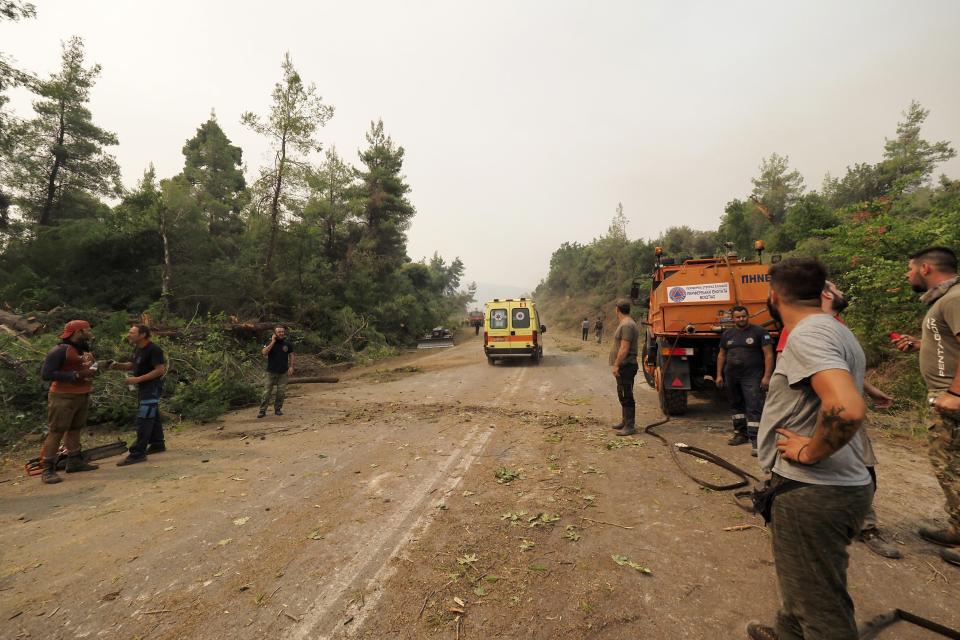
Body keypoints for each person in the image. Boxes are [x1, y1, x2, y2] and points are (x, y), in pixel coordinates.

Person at [748, 257, 873, 640]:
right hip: (832, 486)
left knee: (821, 607)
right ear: (821, 292)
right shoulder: (833, 328)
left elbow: (845, 408)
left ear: (773, 296)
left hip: (814, 489)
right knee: (803, 583)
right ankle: (787, 632)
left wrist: (810, 452)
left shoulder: (807, 335)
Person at [777, 280, 900, 560]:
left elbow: (838, 370)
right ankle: (857, 526)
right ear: (825, 294)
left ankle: (863, 525)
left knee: (863, 469)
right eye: (836, 287)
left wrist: (867, 389)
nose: (842, 291)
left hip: (842, 413)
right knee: (843, 468)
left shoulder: (835, 325)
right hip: (827, 416)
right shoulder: (804, 330)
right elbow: (792, 378)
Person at [893, 246, 960, 568]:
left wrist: (956, 394)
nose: (907, 274)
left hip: (953, 401)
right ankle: (956, 528)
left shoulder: (953, 299)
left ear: (926, 268)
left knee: (954, 469)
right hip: (944, 398)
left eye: (910, 268)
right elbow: (950, 343)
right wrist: (920, 345)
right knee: (949, 468)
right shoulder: (944, 301)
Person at [38, 320, 102, 484]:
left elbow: (87, 367)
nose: (90, 332)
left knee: (75, 428)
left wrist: (97, 368)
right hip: (63, 396)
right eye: (87, 330)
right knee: (57, 431)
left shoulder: (83, 349)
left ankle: (74, 461)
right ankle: (48, 469)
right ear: (78, 332)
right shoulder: (59, 351)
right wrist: (73, 376)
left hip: (82, 394)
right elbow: (47, 374)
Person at [716, 305, 773, 455]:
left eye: (743, 316)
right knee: (736, 405)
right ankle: (740, 434)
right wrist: (719, 375)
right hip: (731, 375)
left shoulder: (759, 332)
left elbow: (768, 355)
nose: (741, 319)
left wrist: (767, 376)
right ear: (733, 318)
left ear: (748, 316)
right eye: (738, 317)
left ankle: (757, 442)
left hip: (752, 375)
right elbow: (721, 355)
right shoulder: (727, 334)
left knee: (754, 406)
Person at [112, 325, 167, 466]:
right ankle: (157, 443)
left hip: (152, 387)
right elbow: (132, 364)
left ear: (142, 335)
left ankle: (138, 453)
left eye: (131, 332)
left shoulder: (153, 349)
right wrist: (115, 365)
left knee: (144, 418)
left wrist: (137, 379)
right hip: (145, 388)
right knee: (152, 415)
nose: (128, 335)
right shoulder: (138, 348)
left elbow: (160, 370)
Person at [608, 299, 640, 436]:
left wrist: (616, 364)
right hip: (624, 365)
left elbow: (624, 347)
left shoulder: (627, 325)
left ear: (617, 309)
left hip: (626, 365)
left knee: (626, 395)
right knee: (622, 394)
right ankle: (624, 421)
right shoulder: (626, 323)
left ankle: (630, 426)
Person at [259, 325, 295, 418]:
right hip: (270, 372)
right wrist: (273, 341)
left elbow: (292, 355)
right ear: (275, 333)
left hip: (283, 372)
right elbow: (264, 353)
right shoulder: (268, 342)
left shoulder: (287, 343)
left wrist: (291, 366)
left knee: (281, 392)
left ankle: (278, 409)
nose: (281, 333)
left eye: (282, 332)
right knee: (266, 392)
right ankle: (262, 411)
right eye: (279, 332)